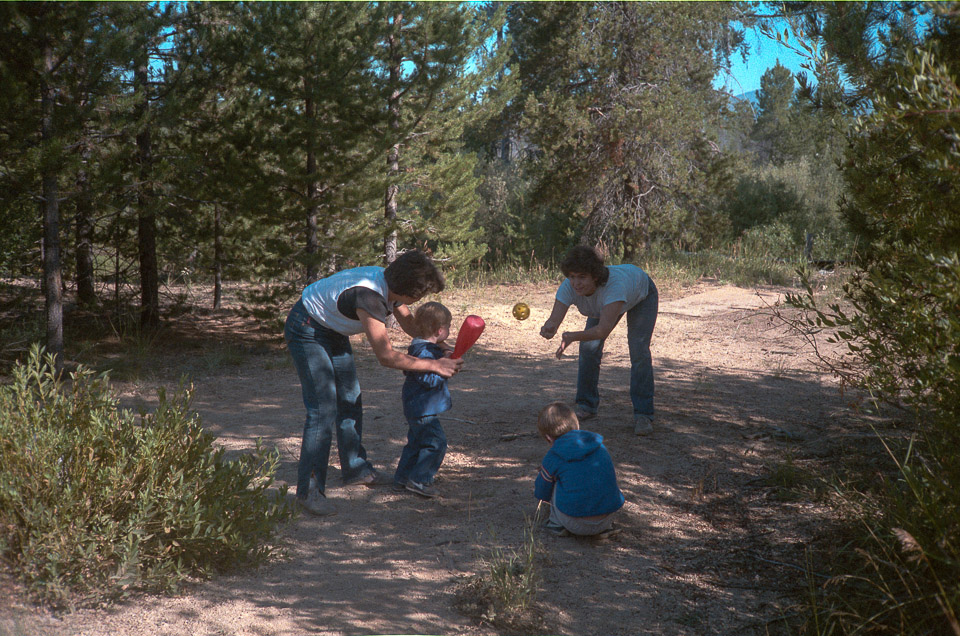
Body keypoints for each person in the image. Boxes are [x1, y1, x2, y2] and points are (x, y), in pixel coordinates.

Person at [284, 251, 462, 516]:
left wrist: (441, 347)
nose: (418, 302)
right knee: (322, 409)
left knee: (350, 397)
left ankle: (355, 468)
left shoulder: (391, 286)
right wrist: (435, 365)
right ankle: (309, 491)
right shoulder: (370, 296)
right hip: (307, 327)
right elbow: (387, 357)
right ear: (409, 292)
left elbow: (412, 327)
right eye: (420, 297)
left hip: (333, 330)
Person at [539, 245, 658, 435]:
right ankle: (586, 405)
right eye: (572, 276)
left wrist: (572, 337)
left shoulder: (613, 287)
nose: (576, 283)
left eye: (582, 277)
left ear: (594, 275)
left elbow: (602, 330)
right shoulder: (568, 287)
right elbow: (553, 319)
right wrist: (549, 328)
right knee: (589, 349)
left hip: (641, 293)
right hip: (606, 303)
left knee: (639, 351)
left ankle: (643, 414)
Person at [534, 402, 624, 537]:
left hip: (574, 522)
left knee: (553, 480)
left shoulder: (554, 455)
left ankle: (555, 524)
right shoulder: (599, 446)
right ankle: (606, 528)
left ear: (548, 437)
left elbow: (542, 493)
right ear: (576, 425)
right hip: (607, 518)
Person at [393, 301, 454, 498]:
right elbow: (429, 379)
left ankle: (402, 477)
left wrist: (445, 355)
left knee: (416, 443)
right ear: (439, 330)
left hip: (416, 406)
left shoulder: (421, 347)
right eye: (449, 327)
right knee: (436, 443)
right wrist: (446, 371)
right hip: (422, 409)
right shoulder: (425, 352)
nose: (450, 330)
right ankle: (420, 480)